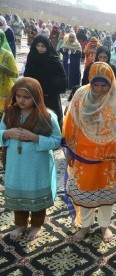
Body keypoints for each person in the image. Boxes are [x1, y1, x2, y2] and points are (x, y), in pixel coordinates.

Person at [62, 62, 116, 242]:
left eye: (104, 85)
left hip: (111, 157)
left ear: (111, 82)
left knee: (106, 195)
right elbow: (71, 121)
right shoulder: (81, 95)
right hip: (84, 154)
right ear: (90, 81)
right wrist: (69, 149)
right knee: (85, 193)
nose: (100, 89)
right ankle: (85, 227)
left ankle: (104, 227)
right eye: (96, 85)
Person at [0, 77, 62, 241]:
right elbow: (0, 132)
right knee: (18, 193)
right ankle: (20, 224)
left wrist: (36, 138)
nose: (21, 100)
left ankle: (36, 225)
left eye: (26, 97)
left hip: (37, 166)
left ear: (36, 96)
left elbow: (57, 140)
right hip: (15, 165)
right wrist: (7, 134)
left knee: (36, 194)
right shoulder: (9, 113)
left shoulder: (47, 116)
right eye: (18, 96)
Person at [24, 35, 66, 129]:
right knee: (34, 117)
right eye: (38, 45)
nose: (40, 48)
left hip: (50, 94)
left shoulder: (54, 59)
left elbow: (62, 78)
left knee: (51, 117)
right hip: (34, 93)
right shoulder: (32, 56)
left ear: (47, 46)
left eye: (43, 46)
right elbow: (27, 73)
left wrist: (48, 89)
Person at [0, 29, 18, 118]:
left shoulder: (7, 55)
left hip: (4, 92)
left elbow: (15, 74)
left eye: (0, 38)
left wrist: (4, 68)